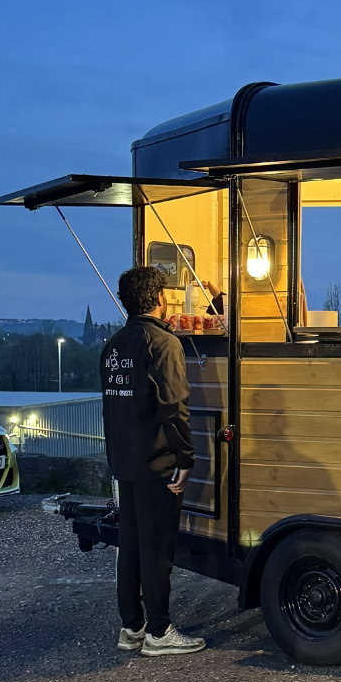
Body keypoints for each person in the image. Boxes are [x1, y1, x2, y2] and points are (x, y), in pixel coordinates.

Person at [101, 265, 206, 657]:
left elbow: (111, 409)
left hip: (123, 461)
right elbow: (174, 406)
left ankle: (132, 628)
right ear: (160, 298)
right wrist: (185, 458)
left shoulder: (114, 345)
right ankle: (160, 634)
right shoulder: (162, 343)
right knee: (158, 549)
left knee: (130, 546)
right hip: (158, 462)